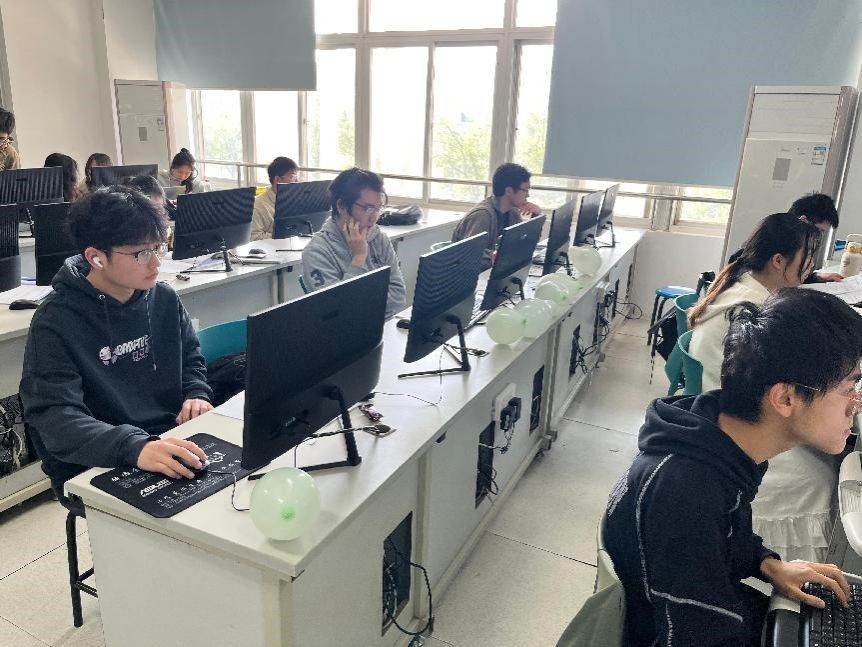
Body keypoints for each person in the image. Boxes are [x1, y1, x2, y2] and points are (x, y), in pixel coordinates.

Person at [602, 288, 861, 646]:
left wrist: (768, 565)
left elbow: (721, 536)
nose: (855, 405)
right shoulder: (687, 490)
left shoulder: (721, 447)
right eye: (849, 388)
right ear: (785, 398)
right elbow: (694, 634)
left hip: (714, 609)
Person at [19, 185, 214, 496]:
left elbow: (190, 357)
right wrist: (134, 447)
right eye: (141, 253)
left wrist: (196, 393)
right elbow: (56, 417)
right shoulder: (55, 321)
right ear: (96, 258)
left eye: (158, 247)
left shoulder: (163, 298)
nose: (156, 263)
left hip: (170, 436)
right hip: (104, 458)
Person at [689, 213, 836, 562]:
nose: (811, 266)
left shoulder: (744, 289)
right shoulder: (751, 310)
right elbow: (780, 389)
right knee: (820, 478)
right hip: (733, 431)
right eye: (807, 258)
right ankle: (783, 571)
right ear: (778, 261)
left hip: (728, 414)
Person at [302, 167, 406, 319]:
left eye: (378, 208)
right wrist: (358, 258)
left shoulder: (379, 239)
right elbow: (337, 312)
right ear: (342, 206)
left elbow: (398, 297)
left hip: (384, 325)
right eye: (368, 208)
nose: (374, 218)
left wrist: (360, 305)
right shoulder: (316, 252)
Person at [728, 192, 841, 282]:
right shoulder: (769, 242)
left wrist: (816, 277)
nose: (818, 237)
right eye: (819, 231)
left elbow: (788, 274)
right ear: (803, 221)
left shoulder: (786, 240)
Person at [451, 162, 541, 270]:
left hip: (493, 273)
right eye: (525, 190)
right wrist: (500, 256)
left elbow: (522, 244)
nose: (528, 195)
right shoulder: (482, 215)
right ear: (509, 191)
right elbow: (470, 255)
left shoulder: (512, 212)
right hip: (472, 276)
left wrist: (536, 217)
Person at [251, 156, 299, 240]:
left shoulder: (293, 201)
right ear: (277, 179)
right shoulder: (258, 206)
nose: (297, 181)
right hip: (272, 247)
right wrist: (284, 235)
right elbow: (254, 237)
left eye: (296, 177)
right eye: (292, 177)